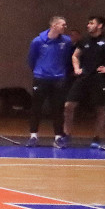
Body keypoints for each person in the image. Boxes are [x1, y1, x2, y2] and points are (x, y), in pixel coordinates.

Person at [65, 15, 105, 147]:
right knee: (68, 105)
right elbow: (75, 56)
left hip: (99, 78)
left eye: (91, 23)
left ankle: (96, 138)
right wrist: (76, 68)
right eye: (88, 23)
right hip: (83, 76)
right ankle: (66, 134)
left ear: (100, 25)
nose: (88, 25)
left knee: (100, 108)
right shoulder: (84, 40)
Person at [28, 15, 74, 148]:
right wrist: (39, 71)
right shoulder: (38, 41)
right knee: (36, 107)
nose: (65, 27)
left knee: (58, 108)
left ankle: (58, 137)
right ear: (54, 25)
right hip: (41, 78)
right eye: (62, 25)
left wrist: (62, 72)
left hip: (58, 79)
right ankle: (33, 136)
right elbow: (31, 59)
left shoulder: (66, 41)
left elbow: (68, 58)